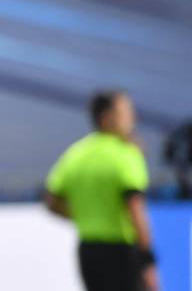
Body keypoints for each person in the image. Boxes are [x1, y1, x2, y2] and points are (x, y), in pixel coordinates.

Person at [44, 90, 159, 291]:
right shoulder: (126, 153)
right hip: (122, 252)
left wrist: (85, 217)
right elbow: (135, 208)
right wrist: (147, 260)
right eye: (126, 113)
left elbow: (52, 201)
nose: (132, 119)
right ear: (107, 118)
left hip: (88, 252)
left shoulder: (76, 153)